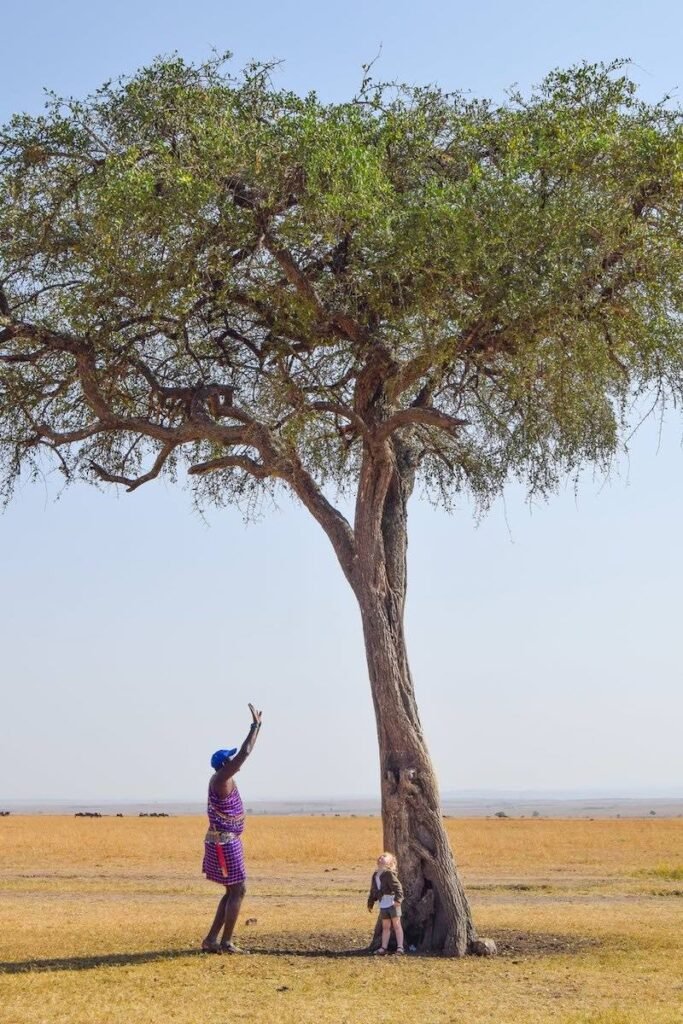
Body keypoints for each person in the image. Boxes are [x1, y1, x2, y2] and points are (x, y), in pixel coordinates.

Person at [201, 703, 263, 953]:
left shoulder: (222, 780)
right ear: (225, 763)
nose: (235, 760)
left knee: (232, 891)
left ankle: (212, 940)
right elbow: (245, 753)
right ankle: (225, 942)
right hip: (224, 842)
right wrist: (255, 728)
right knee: (238, 889)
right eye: (231, 759)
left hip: (225, 840)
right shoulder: (221, 779)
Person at [367, 851, 405, 955]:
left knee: (397, 925)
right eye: (380, 856)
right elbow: (373, 890)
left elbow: (398, 887)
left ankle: (400, 947)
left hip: (392, 902)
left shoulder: (388, 874)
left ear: (390, 862)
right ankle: (383, 947)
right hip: (383, 904)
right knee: (385, 927)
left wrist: (398, 900)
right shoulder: (375, 875)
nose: (381, 857)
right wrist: (370, 902)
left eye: (384, 856)